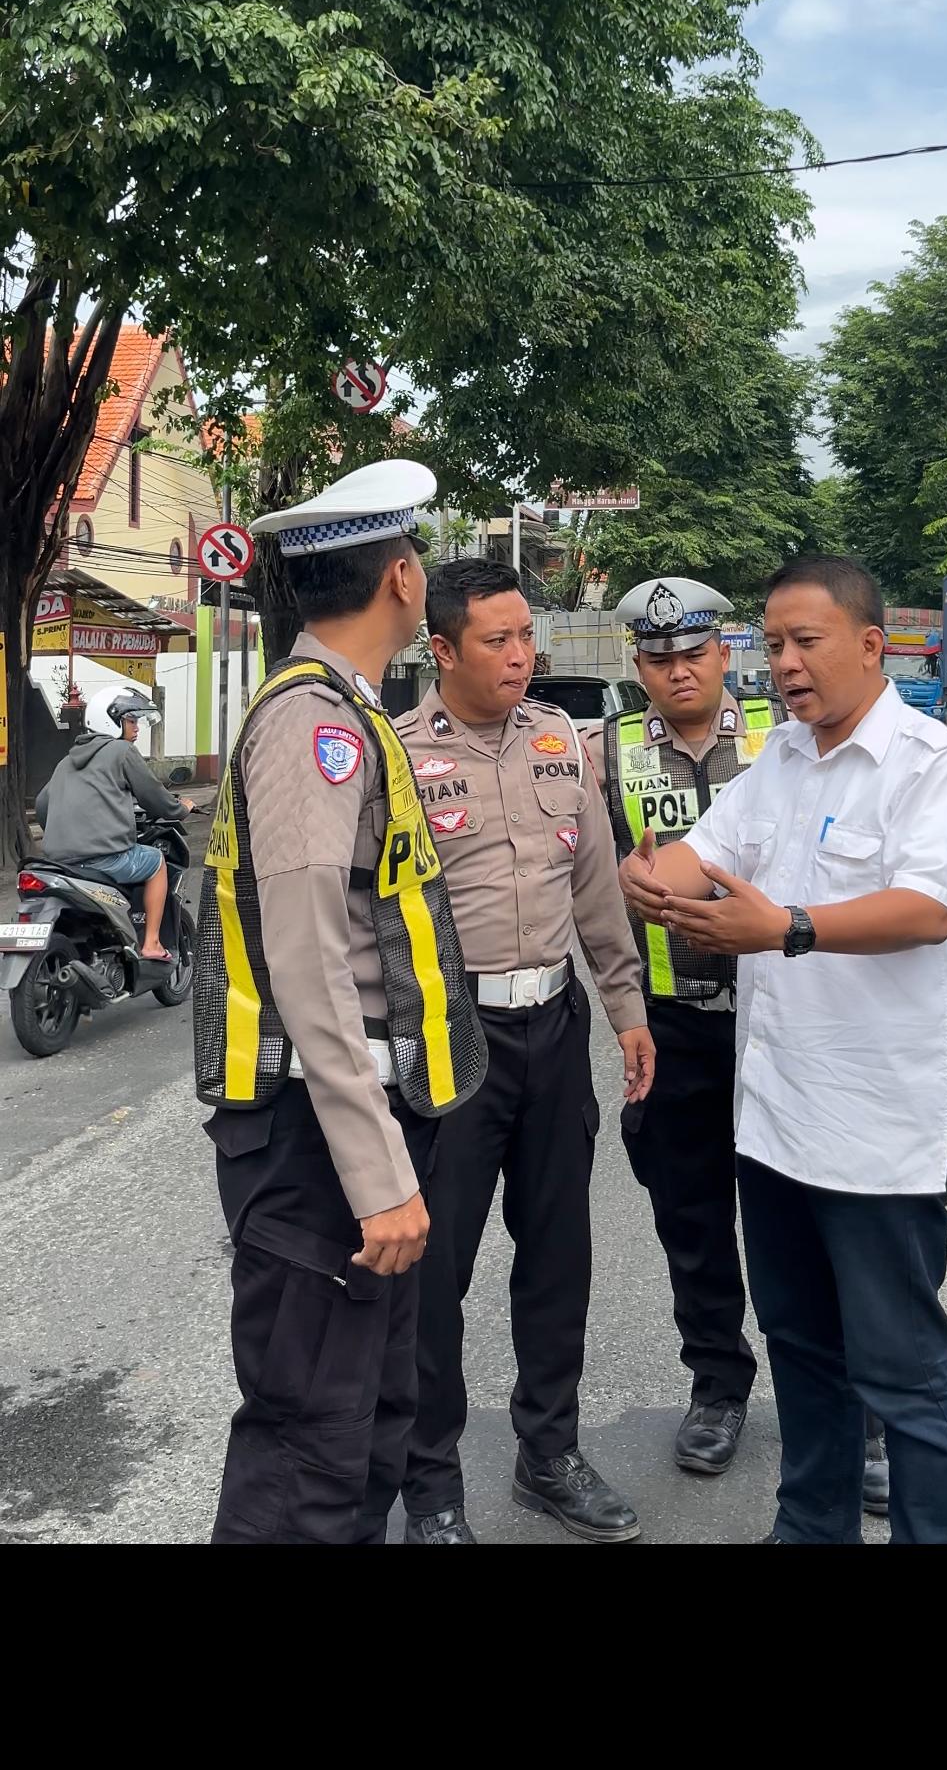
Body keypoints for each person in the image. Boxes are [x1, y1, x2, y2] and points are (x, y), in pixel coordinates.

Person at [619, 554, 947, 1547]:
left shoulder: (932, 767)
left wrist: (784, 926)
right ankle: (810, 1527)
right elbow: (709, 848)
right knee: (803, 1357)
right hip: (777, 1124)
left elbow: (925, 909)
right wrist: (658, 875)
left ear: (871, 646)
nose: (784, 662)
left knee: (905, 1377)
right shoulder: (782, 760)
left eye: (806, 641)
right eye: (773, 643)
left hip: (882, 1135)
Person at [194, 463, 488, 1546]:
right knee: (308, 1445)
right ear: (405, 579)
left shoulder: (347, 714)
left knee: (369, 1424)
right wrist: (376, 1179)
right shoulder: (311, 726)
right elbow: (308, 962)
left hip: (356, 1115)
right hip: (315, 1135)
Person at [396, 558, 655, 1546]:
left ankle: (549, 1455)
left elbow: (593, 888)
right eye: (497, 640)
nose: (520, 654)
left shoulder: (558, 739)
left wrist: (625, 1007)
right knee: (435, 1273)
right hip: (452, 1039)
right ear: (444, 649)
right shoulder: (399, 754)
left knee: (558, 1254)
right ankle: (430, 1486)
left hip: (554, 1025)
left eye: (525, 637)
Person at [599, 577, 770, 1477]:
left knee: (812, 1217)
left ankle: (851, 1405)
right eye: (659, 660)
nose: (677, 673)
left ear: (724, 655)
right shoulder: (609, 748)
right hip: (674, 1026)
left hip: (783, 1025)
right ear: (639, 666)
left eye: (693, 656)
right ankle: (717, 1384)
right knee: (692, 1216)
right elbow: (585, 875)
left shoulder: (782, 744)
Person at [36, 681, 192, 960]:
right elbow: (153, 796)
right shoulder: (122, 752)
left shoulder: (66, 762)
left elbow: (42, 805)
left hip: (59, 862)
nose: (136, 727)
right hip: (103, 859)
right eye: (130, 720)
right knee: (155, 862)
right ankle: (152, 943)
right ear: (110, 721)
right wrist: (181, 809)